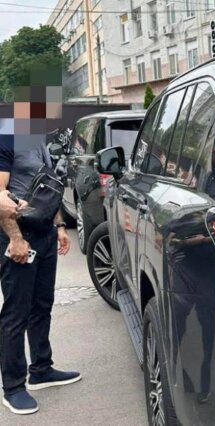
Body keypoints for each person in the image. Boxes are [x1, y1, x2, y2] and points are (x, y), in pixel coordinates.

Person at [0, 101, 80, 416]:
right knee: (16, 313)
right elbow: (0, 195)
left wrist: (59, 227)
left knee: (42, 305)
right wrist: (15, 239)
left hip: (45, 234)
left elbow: (47, 189)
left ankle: (41, 370)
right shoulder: (7, 137)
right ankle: (13, 387)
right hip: (19, 236)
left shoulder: (38, 141)